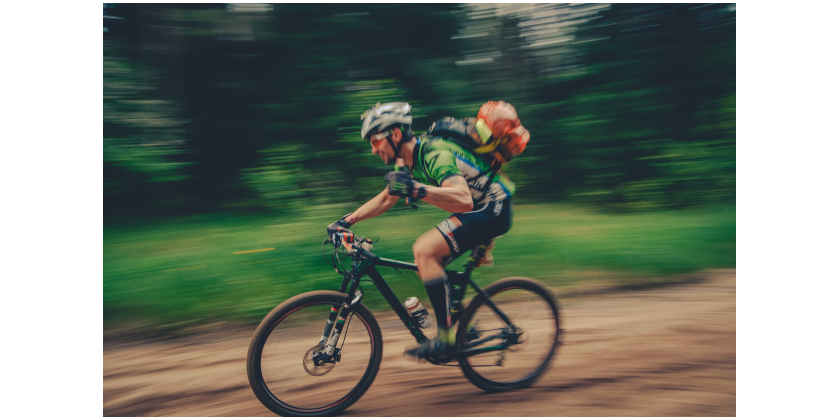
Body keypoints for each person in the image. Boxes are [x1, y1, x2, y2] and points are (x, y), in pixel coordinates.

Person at [326, 101, 529, 359]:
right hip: (478, 207)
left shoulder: (434, 154)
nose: (373, 149)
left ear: (396, 134)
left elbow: (463, 199)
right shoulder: (407, 160)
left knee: (425, 250)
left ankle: (446, 340)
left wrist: (416, 190)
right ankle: (466, 326)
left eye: (376, 141)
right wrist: (347, 221)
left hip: (494, 208)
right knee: (429, 260)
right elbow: (390, 196)